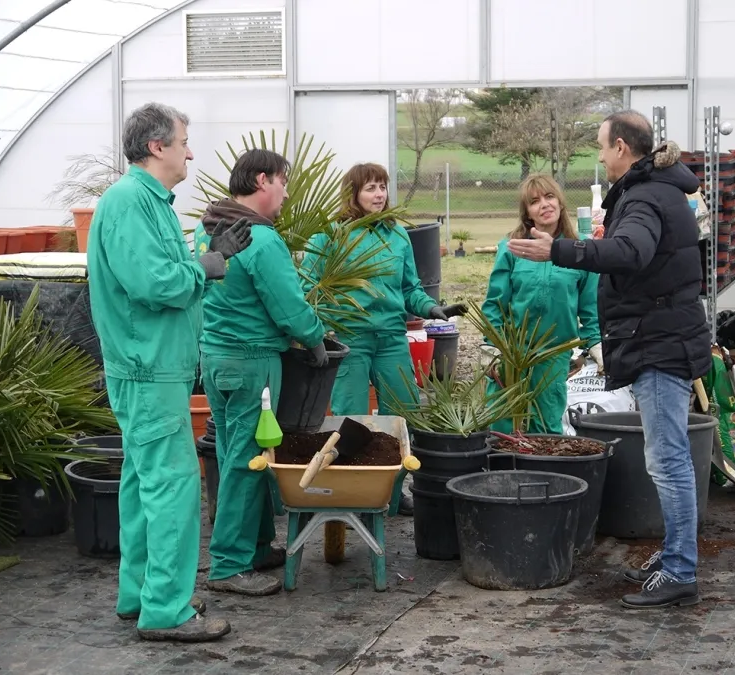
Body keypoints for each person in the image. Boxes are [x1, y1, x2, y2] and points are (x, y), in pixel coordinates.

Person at [506, 110, 711, 610]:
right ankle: (673, 557)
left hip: (660, 344)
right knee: (667, 458)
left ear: (622, 147)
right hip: (663, 337)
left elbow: (630, 252)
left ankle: (681, 569)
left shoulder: (643, 196)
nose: (599, 156)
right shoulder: (661, 190)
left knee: (667, 461)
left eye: (601, 146)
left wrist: (561, 251)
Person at [88, 102, 253, 641]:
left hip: (152, 367)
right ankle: (166, 610)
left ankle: (140, 593)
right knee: (174, 486)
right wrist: (207, 264)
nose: (189, 150)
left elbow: (164, 273)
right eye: (184, 141)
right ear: (157, 146)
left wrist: (208, 256)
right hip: (147, 367)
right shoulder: (131, 202)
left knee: (142, 484)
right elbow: (156, 285)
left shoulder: (149, 201)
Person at [194, 149, 328, 597]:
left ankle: (253, 549)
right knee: (246, 462)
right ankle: (229, 565)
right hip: (253, 363)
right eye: (284, 183)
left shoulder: (207, 227)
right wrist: (315, 339)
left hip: (215, 359)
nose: (287, 193)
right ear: (261, 180)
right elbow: (288, 307)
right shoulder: (261, 240)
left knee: (237, 453)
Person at [301, 163, 466, 515]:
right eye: (371, 188)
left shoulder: (396, 235)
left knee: (402, 414)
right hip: (350, 340)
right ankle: (355, 495)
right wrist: (324, 327)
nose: (379, 195)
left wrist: (432, 308)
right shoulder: (330, 235)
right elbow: (310, 288)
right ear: (353, 194)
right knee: (351, 419)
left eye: (383, 187)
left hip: (391, 337)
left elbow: (410, 290)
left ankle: (391, 495)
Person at [482, 174, 601, 434]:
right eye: (534, 201)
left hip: (554, 352)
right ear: (527, 213)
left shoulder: (580, 250)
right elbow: (495, 304)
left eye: (549, 197)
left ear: (560, 203)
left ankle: (544, 473)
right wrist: (492, 346)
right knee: (502, 423)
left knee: (546, 426)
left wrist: (596, 344)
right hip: (511, 350)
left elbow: (590, 308)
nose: (544, 204)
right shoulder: (512, 247)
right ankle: (501, 472)